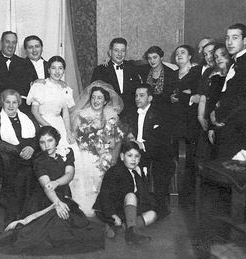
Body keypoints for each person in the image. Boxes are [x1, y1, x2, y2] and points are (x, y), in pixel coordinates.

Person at [0, 126, 104, 255]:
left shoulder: (67, 152)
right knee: (49, 227)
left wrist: (57, 183)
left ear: (56, 140)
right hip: (45, 198)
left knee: (73, 225)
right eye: (42, 142)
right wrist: (57, 203)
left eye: (50, 141)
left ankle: (30, 220)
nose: (47, 145)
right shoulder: (39, 159)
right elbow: (46, 186)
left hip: (63, 194)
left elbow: (69, 174)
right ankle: (25, 222)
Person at [70, 80, 124, 216]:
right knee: (85, 164)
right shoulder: (81, 114)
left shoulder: (111, 114)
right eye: (93, 97)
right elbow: (76, 136)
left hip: (105, 151)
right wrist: (88, 146)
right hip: (85, 151)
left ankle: (105, 206)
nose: (96, 100)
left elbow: (116, 138)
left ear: (105, 101)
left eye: (99, 98)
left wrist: (109, 151)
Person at [0, 89, 39, 225]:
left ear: (19, 103)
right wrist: (18, 151)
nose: (11, 106)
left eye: (14, 102)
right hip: (8, 156)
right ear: (2, 103)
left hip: (30, 152)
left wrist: (32, 147)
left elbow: (38, 135)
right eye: (7, 102)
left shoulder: (27, 116)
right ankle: (19, 209)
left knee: (38, 164)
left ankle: (32, 205)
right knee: (24, 171)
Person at [93, 141, 157, 244]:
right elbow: (106, 196)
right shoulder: (115, 171)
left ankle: (120, 229)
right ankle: (131, 235)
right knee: (131, 196)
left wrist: (140, 176)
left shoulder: (137, 172)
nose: (133, 159)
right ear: (122, 157)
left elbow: (144, 195)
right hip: (112, 209)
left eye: (137, 156)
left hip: (127, 210)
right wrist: (113, 215)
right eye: (130, 155)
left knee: (152, 215)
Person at [214, 23, 246, 159]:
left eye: (235, 38)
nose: (229, 42)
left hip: (240, 132)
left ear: (245, 41)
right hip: (229, 129)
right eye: (227, 38)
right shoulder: (235, 63)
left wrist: (219, 116)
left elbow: (243, 101)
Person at [129, 84, 173, 218]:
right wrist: (130, 135)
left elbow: (163, 138)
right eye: (136, 95)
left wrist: (143, 145)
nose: (137, 98)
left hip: (155, 150)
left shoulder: (160, 113)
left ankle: (159, 208)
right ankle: (134, 204)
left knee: (160, 166)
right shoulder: (132, 112)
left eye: (141, 95)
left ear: (150, 98)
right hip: (135, 150)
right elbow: (129, 129)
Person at [170, 44, 201, 207]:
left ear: (190, 56)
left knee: (189, 159)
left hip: (190, 122)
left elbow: (195, 96)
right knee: (176, 157)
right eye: (176, 54)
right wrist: (183, 95)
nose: (179, 55)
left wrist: (181, 96)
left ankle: (188, 198)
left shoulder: (196, 72)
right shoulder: (173, 74)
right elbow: (171, 95)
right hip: (175, 121)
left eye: (183, 52)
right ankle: (178, 193)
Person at [26, 56, 75, 148]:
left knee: (69, 147)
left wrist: (68, 132)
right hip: (42, 123)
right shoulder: (39, 86)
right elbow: (35, 112)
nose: (57, 72)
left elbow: (65, 114)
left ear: (64, 70)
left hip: (60, 124)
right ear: (48, 70)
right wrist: (51, 129)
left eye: (60, 68)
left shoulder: (66, 89)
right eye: (53, 68)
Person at [91, 37, 142, 119]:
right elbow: (94, 94)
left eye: (123, 51)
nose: (119, 54)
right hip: (109, 115)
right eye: (116, 50)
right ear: (110, 52)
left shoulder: (132, 67)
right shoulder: (100, 70)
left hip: (131, 116)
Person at [0, 31, 31, 111]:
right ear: (1, 43)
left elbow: (25, 89)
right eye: (7, 42)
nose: (11, 46)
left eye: (14, 42)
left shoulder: (24, 63)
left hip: (17, 109)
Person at [207, 44, 232, 148]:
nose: (219, 59)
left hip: (232, 124)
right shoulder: (216, 79)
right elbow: (211, 104)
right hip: (217, 125)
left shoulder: (236, 77)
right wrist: (211, 128)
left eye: (223, 55)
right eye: (216, 57)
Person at [140, 46, 176, 117]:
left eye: (155, 57)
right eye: (149, 58)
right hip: (146, 110)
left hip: (165, 111)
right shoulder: (144, 71)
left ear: (161, 57)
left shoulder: (171, 73)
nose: (152, 61)